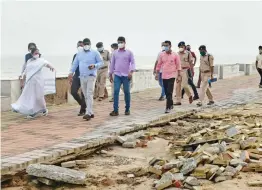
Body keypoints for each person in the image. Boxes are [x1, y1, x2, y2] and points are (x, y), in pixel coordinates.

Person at [12, 48, 55, 118]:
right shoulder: (29, 61)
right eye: (35, 53)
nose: (37, 54)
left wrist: (51, 67)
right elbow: (26, 71)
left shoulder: (41, 61)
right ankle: (24, 109)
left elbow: (47, 64)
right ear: (32, 54)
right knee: (28, 97)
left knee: (39, 97)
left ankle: (43, 109)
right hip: (30, 82)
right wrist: (22, 78)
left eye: (38, 53)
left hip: (39, 82)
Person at [69, 38, 103, 121]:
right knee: (85, 94)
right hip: (82, 76)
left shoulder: (95, 53)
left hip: (91, 76)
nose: (86, 46)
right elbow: (75, 64)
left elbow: (101, 62)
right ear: (83, 45)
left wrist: (94, 66)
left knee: (89, 94)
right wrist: (70, 73)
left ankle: (88, 113)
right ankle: (90, 112)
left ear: (90, 44)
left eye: (88, 44)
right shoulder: (79, 54)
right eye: (85, 44)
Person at [109, 36, 135, 116]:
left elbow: (132, 63)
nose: (120, 44)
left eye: (121, 42)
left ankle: (127, 109)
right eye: (118, 42)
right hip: (117, 75)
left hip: (126, 76)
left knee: (127, 92)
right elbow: (112, 64)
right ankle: (115, 110)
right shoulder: (115, 53)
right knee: (116, 92)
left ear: (124, 43)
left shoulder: (129, 53)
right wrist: (110, 74)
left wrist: (131, 71)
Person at [155, 40, 181, 113]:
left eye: (166, 46)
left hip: (172, 75)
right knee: (166, 92)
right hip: (164, 76)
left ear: (170, 46)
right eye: (164, 46)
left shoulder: (175, 55)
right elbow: (159, 65)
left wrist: (179, 75)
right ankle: (171, 103)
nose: (165, 47)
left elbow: (178, 65)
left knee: (169, 91)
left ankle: (168, 107)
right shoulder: (162, 55)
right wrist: (157, 74)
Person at [69, 41, 87, 116]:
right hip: (76, 76)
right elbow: (73, 65)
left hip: (85, 76)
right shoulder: (75, 56)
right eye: (78, 45)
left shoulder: (87, 55)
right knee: (73, 92)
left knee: (83, 94)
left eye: (81, 45)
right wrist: (70, 74)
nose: (80, 47)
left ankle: (82, 110)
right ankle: (83, 105)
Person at [174, 41, 193, 106]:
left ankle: (190, 95)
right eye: (180, 47)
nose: (181, 48)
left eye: (182, 46)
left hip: (185, 70)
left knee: (184, 85)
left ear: (184, 47)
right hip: (178, 71)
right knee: (177, 86)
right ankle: (178, 101)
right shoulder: (176, 54)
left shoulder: (188, 53)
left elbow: (191, 62)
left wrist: (192, 71)